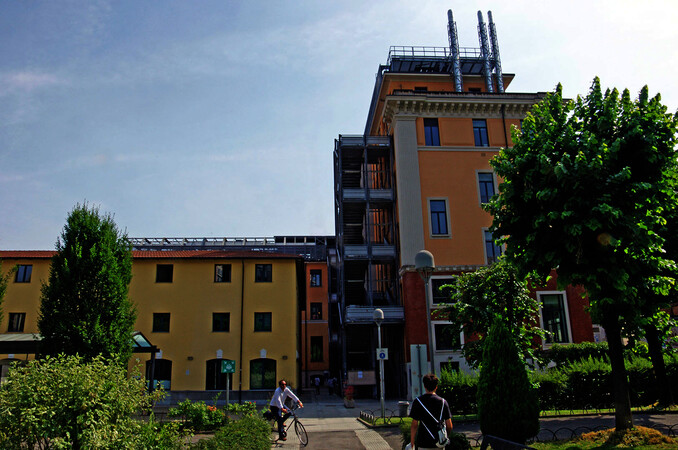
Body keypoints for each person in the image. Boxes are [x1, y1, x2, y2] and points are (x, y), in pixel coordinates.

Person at [409, 373, 453, 450]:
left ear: (424, 386)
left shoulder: (418, 402)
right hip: (439, 442)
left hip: (423, 442)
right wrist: (445, 436)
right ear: (436, 387)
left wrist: (412, 441)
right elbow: (449, 425)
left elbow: (414, 425)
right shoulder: (443, 402)